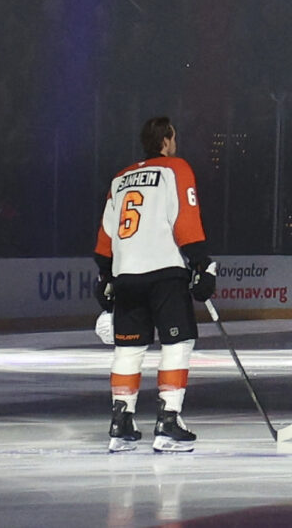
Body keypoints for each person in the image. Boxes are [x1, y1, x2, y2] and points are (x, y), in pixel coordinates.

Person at [94, 116, 215, 454]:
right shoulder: (176, 169)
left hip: (125, 275)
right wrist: (201, 264)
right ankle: (168, 419)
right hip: (164, 271)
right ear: (167, 139)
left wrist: (105, 275)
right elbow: (185, 218)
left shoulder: (121, 178)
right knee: (179, 341)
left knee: (128, 349)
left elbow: (107, 232)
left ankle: (121, 421)